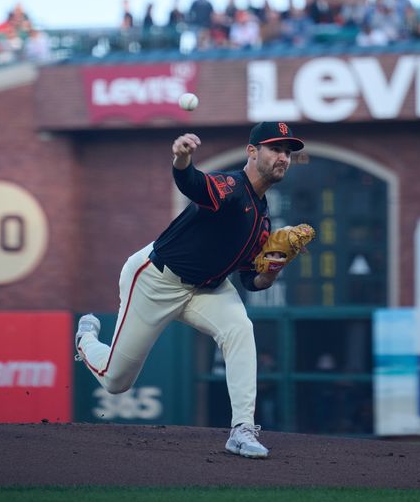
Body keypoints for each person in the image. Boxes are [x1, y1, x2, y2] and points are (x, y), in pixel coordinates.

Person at [75, 122, 307, 459]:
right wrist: (181, 159)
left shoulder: (263, 217)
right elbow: (194, 184)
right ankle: (85, 340)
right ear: (252, 152)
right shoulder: (231, 185)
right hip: (156, 280)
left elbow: (249, 281)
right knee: (116, 382)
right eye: (275, 148)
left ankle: (242, 429)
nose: (283, 157)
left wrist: (272, 271)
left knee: (240, 328)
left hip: (208, 289)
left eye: (288, 152)